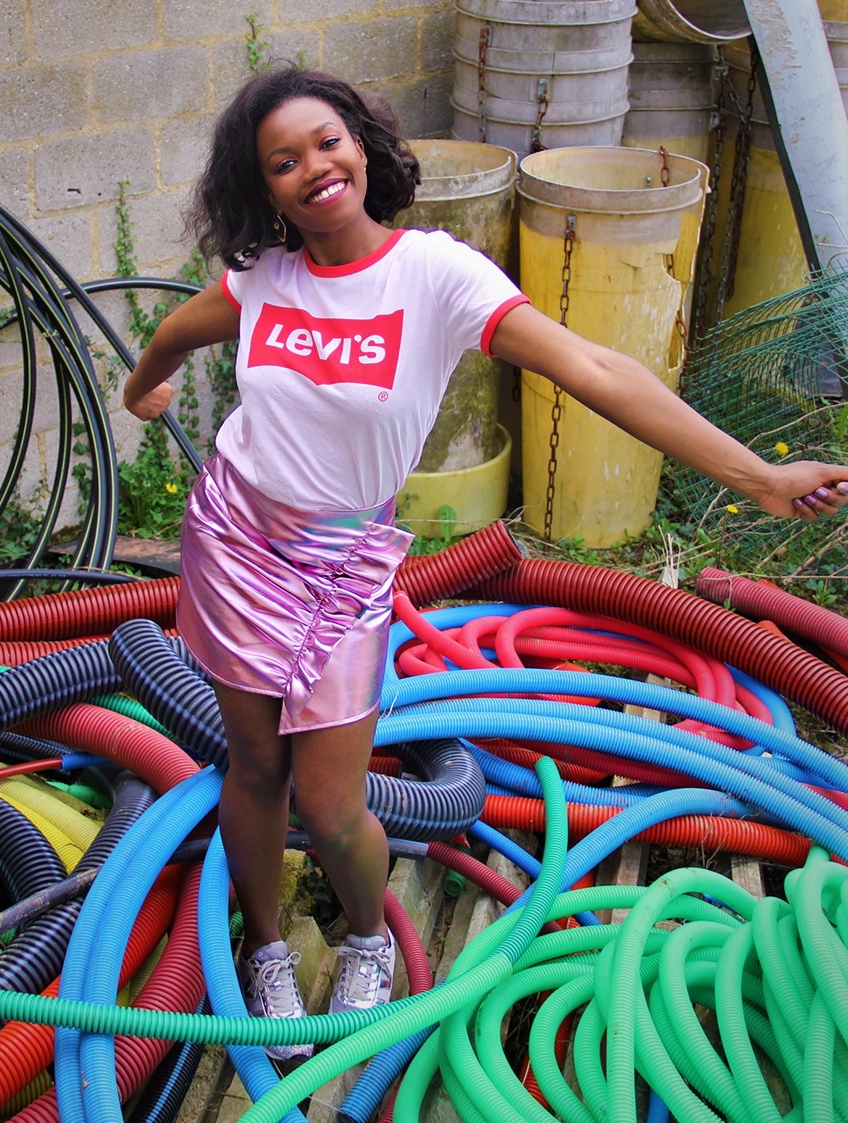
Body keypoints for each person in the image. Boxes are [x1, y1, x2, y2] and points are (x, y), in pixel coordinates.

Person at [123, 63, 848, 1059]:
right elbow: (177, 328)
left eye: (326, 142)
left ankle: (367, 934)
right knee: (251, 769)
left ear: (361, 147)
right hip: (235, 543)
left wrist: (757, 476)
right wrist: (144, 386)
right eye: (281, 161)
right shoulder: (264, 282)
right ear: (266, 190)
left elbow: (595, 367)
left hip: (342, 564)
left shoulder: (434, 275)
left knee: (330, 805)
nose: (312, 168)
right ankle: (266, 950)